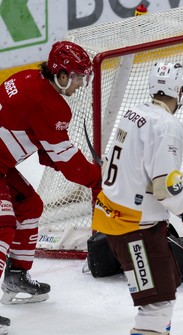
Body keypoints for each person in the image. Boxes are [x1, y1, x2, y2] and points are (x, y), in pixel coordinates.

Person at [92, 61, 183, 335]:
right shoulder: (168, 126)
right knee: (156, 303)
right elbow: (166, 188)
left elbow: (142, 175)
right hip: (135, 228)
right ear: (180, 92)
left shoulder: (133, 112)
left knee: (165, 292)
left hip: (117, 218)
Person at [0, 41, 101, 319]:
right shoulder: (50, 104)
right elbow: (67, 161)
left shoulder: (27, 78)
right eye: (78, 76)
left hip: (2, 166)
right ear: (62, 74)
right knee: (3, 225)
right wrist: (98, 179)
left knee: (30, 206)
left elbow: (41, 144)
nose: (80, 84)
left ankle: (16, 276)